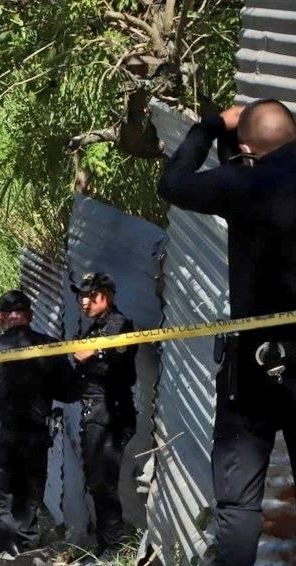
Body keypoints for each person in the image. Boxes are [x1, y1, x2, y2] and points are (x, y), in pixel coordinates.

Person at [158, 99, 296, 566]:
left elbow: (173, 184)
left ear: (247, 149)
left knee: (239, 501)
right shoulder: (253, 177)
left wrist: (211, 126)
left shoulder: (245, 183)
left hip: (256, 365)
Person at [0, 290, 76, 560]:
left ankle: (12, 549)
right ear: (29, 315)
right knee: (26, 504)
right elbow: (69, 392)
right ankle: (24, 554)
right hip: (36, 437)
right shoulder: (50, 347)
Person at [69, 272, 137, 561]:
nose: (84, 302)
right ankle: (104, 545)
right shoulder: (95, 328)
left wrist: (93, 352)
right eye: (81, 296)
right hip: (95, 411)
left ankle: (112, 548)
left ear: (106, 296)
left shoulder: (118, 325)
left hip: (111, 412)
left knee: (103, 482)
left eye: (90, 295)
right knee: (97, 480)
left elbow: (118, 359)